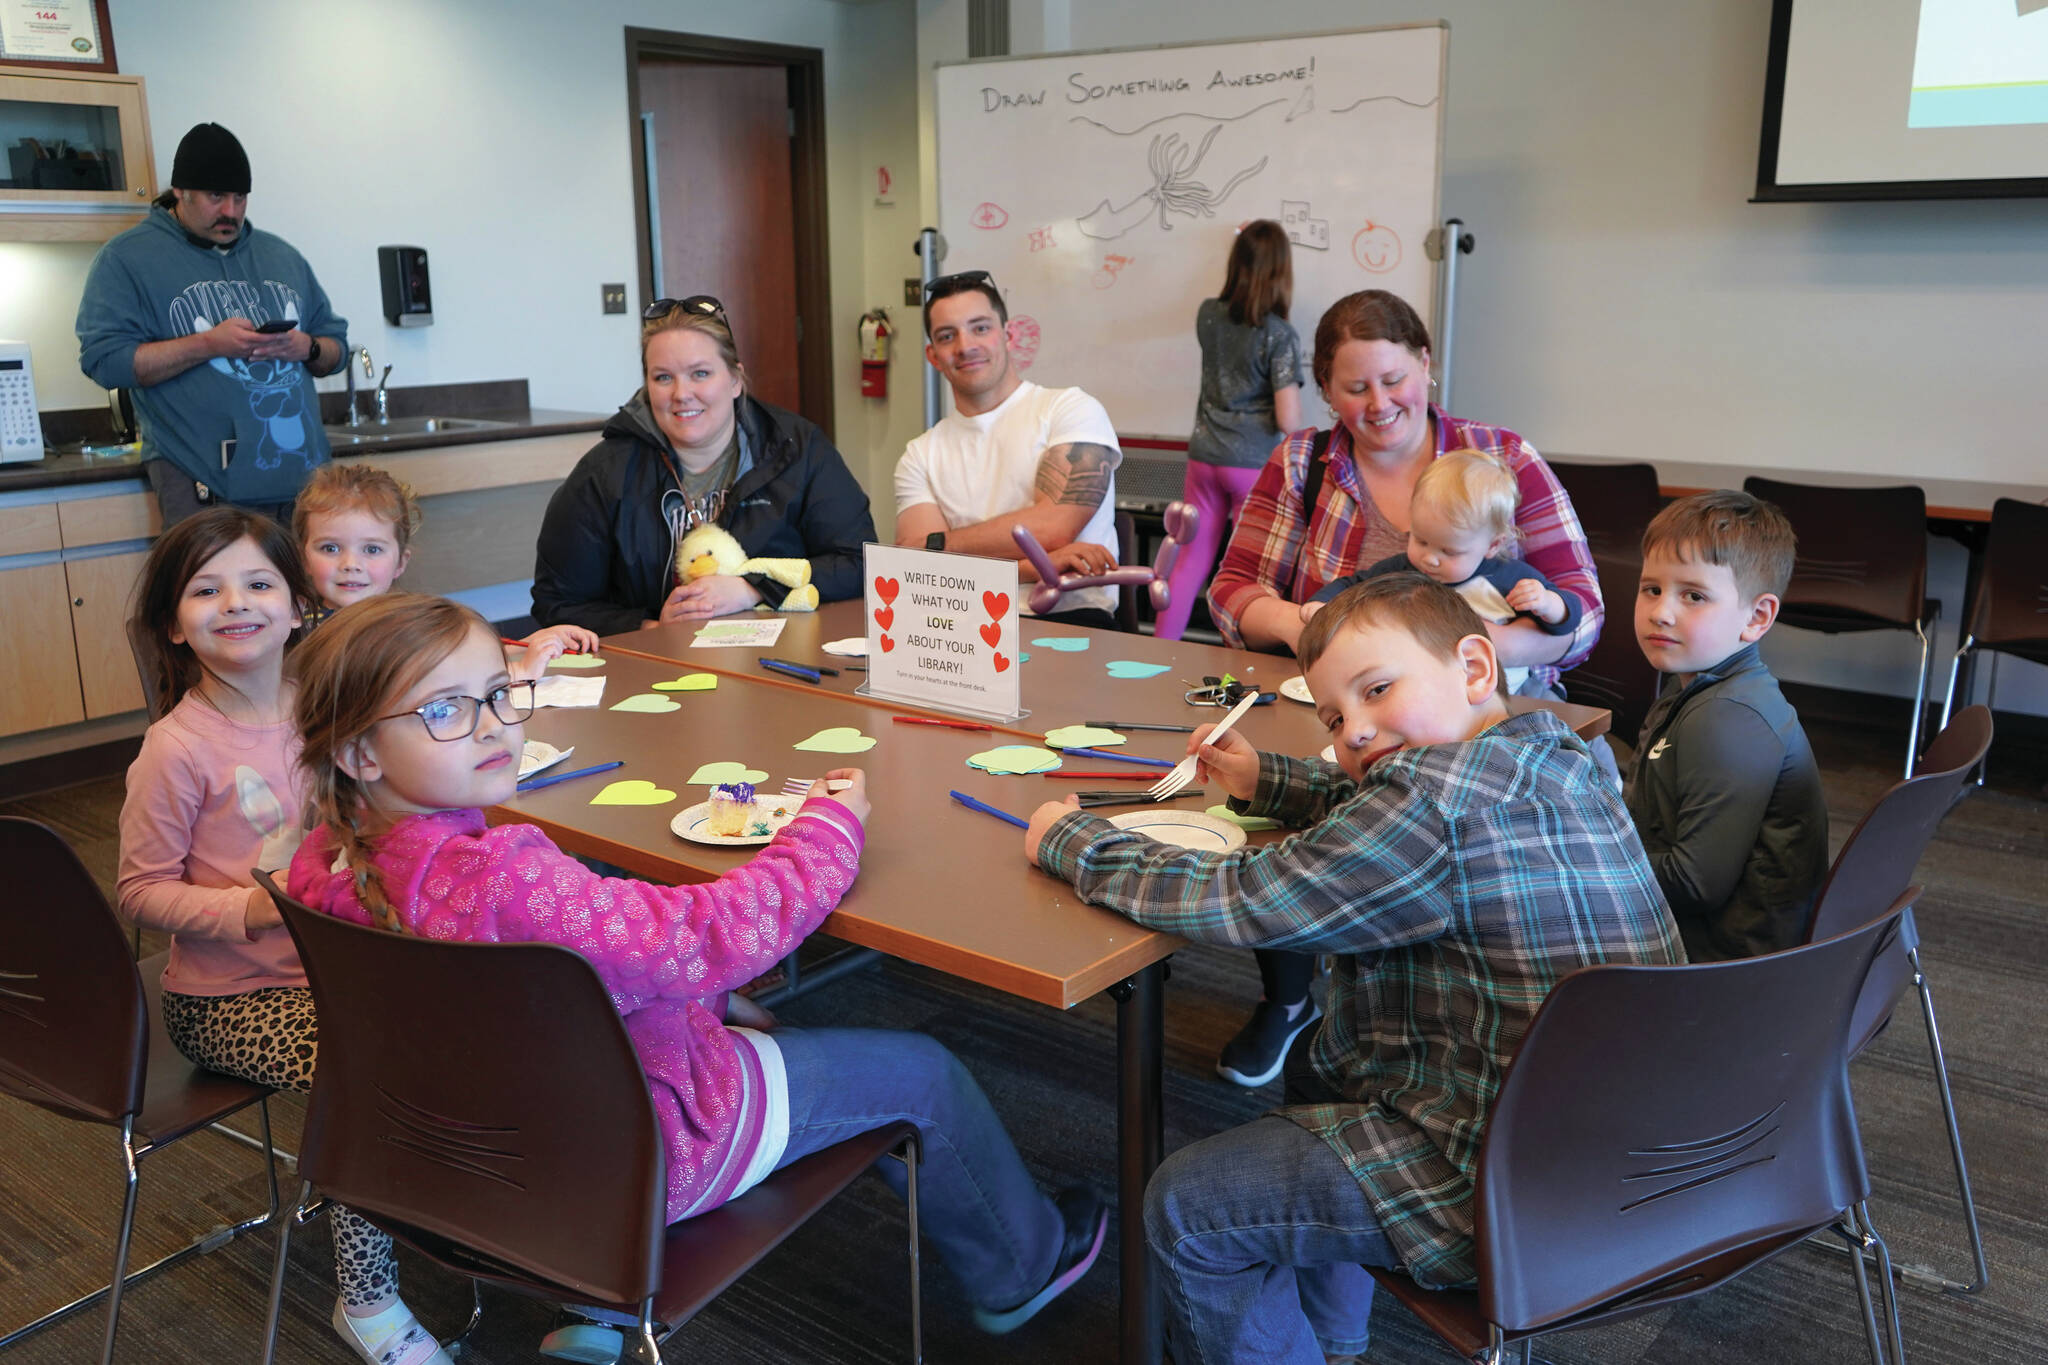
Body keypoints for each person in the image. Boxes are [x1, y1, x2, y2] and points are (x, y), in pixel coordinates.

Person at [283, 593, 1109, 1355]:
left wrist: (705, 994)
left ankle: (597, 1307)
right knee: (924, 1073)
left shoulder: (319, 864)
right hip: (630, 1156)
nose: (495, 725)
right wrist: (825, 830)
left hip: (459, 1154)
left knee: (750, 1015)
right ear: (359, 751)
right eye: (444, 710)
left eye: (500, 692)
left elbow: (556, 985)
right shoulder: (505, 879)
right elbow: (708, 936)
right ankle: (1024, 1263)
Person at [1023, 575, 1681, 1365]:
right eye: (1336, 717)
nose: (1357, 731)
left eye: (1377, 690)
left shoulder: (1429, 808)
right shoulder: (1556, 753)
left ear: (1475, 667)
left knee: (1189, 1207)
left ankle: (1318, 1342)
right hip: (1645, 1157)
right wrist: (1266, 779)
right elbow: (1379, 798)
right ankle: (1336, 1341)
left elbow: (1244, 898)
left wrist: (1075, 840)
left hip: (1518, 1197)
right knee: (1321, 1064)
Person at [1202, 290, 1606, 1087]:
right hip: (1347, 707)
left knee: (1412, 840)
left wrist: (1463, 653)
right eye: (1354, 388)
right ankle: (1294, 999)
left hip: (1489, 714)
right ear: (1325, 390)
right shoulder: (1303, 464)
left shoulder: (1500, 458)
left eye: (1394, 379)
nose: (1378, 403)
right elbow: (1230, 593)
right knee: (1272, 798)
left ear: (1427, 363)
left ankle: (1406, 1009)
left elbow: (1582, 613)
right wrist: (1305, 625)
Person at [117, 509, 446, 1365]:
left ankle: (470, 1225)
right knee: (368, 1070)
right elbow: (140, 891)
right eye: (206, 589)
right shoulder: (174, 749)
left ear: (298, 606)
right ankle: (368, 1303)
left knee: (477, 1018)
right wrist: (257, 910)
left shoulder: (321, 705)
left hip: (340, 968)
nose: (237, 602)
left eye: (258, 582)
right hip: (229, 999)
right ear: (171, 624)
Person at [531, 296, 876, 637]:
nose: (681, 393)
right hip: (658, 669)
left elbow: (859, 564)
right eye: (663, 378)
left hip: (781, 660)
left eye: (700, 373)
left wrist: (753, 589)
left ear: (735, 380)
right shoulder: (603, 474)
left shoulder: (798, 450)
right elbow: (558, 604)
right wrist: (653, 628)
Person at [77, 123, 347, 526]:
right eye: (216, 196)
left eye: (240, 197)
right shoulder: (127, 259)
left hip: (304, 486)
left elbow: (336, 349)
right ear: (181, 191)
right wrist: (208, 344)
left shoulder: (281, 256)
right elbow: (105, 362)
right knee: (215, 590)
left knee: (305, 592)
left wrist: (306, 347)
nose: (231, 211)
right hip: (201, 484)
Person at [1627, 490, 1827, 961]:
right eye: (1651, 589)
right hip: (1707, 941)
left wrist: (1580, 856)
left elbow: (1695, 884)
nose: (1661, 611)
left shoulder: (1728, 719)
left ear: (1757, 618)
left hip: (1719, 966)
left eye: (1693, 596)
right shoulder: (1705, 687)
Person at [893, 271, 1125, 629]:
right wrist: (1036, 567)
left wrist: (939, 543)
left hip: (1072, 623)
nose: (965, 345)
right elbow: (924, 569)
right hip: (963, 629)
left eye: (980, 328)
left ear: (1009, 334)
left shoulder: (1071, 409)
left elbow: (1052, 529)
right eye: (946, 335)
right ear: (933, 356)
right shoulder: (919, 454)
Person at [1303, 449, 1581, 694]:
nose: (1430, 559)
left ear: (1492, 545)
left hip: (1513, 692)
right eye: (1420, 540)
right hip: (1431, 697)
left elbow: (1569, 618)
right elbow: (1354, 584)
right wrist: (1321, 606)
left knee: (1564, 731)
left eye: (1449, 551)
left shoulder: (1509, 577)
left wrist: (1547, 603)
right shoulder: (1401, 571)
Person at [295, 462, 596, 671]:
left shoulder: (403, 618)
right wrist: (519, 673)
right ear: (304, 556)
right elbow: (414, 682)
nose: (350, 564)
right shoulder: (305, 632)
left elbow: (448, 658)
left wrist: (527, 645)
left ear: (401, 562)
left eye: (371, 549)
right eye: (330, 548)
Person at [1156, 220, 1304, 641]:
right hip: (1251, 466)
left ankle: (1157, 650)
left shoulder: (1208, 315)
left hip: (1204, 456)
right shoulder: (1279, 335)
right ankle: (1238, 658)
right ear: (1281, 271)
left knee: (1189, 561)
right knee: (1248, 572)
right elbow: (1288, 420)